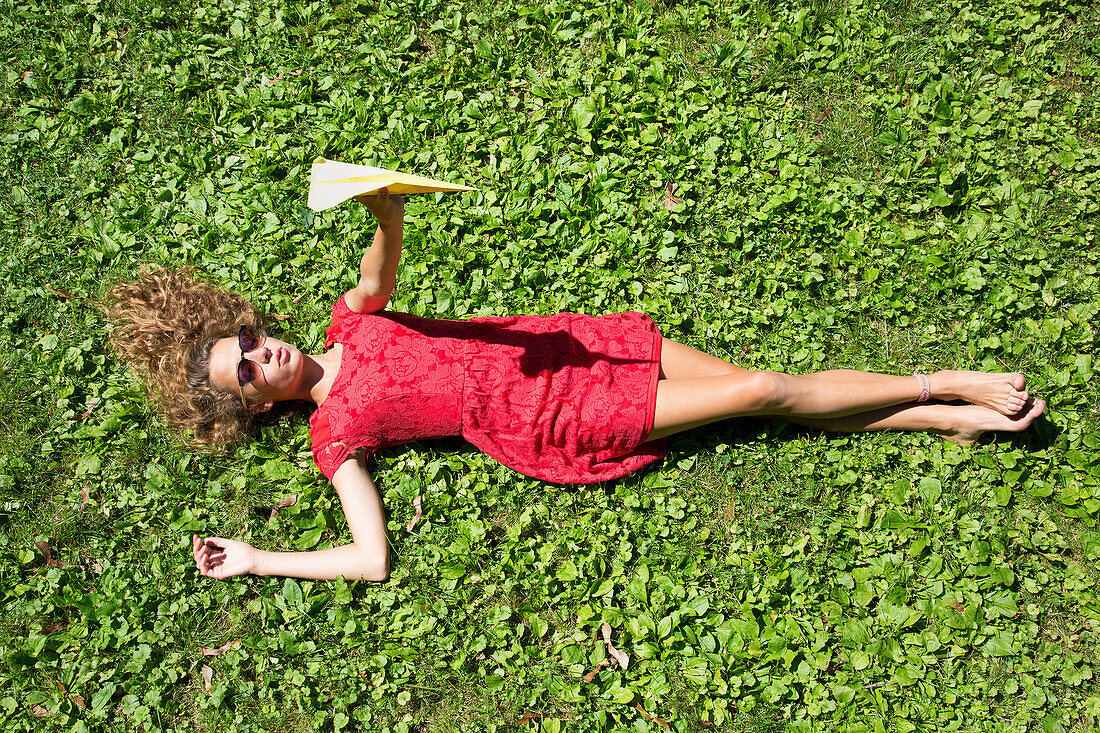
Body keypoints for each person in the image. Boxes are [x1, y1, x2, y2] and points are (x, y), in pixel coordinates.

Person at [102, 191, 1045, 584]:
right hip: (560, 412)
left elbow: (381, 269)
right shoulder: (334, 432)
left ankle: (930, 418)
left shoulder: (352, 319)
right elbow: (370, 557)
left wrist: (385, 204)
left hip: (563, 347)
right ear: (255, 405)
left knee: (775, 392)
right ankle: (945, 382)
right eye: (247, 372)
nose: (263, 356)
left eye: (251, 341)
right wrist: (263, 557)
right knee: (763, 389)